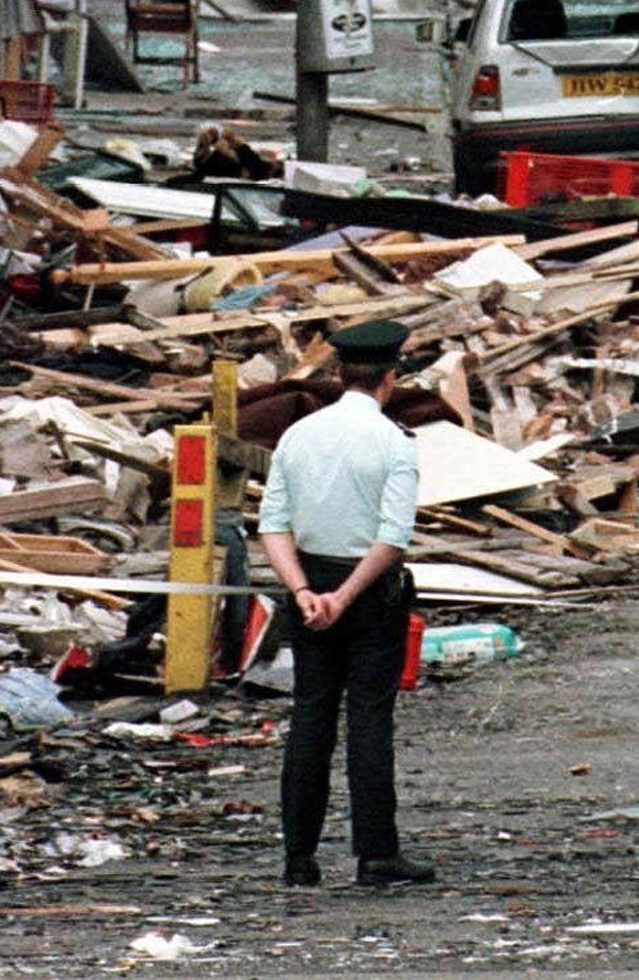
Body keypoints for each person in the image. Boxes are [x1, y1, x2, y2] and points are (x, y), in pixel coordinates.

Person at [258, 320, 433, 889]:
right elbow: (391, 539)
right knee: (368, 719)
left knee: (310, 716)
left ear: (336, 375)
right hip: (368, 591)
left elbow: (273, 526)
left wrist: (305, 592)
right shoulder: (393, 443)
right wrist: (345, 595)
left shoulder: (298, 435)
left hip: (309, 586)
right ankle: (376, 853)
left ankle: (299, 858)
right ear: (389, 377)